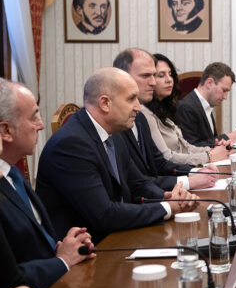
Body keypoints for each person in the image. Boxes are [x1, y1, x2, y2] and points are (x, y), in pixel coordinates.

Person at [36, 68, 200, 244]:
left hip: (119, 234)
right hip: (90, 246)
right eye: (131, 99)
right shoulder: (71, 144)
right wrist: (168, 207)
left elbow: (138, 183)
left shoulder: (115, 132)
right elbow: (104, 215)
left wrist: (167, 196)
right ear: (105, 103)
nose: (138, 107)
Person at [0, 79, 95, 288]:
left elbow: (32, 241)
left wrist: (65, 246)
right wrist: (62, 260)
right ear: (6, 130)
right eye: (33, 117)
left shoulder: (12, 171)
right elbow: (7, 280)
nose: (41, 125)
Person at [112, 48, 218, 190]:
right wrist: (205, 161)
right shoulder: (123, 121)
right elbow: (138, 181)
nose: (153, 82)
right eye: (147, 76)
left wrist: (195, 172)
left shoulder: (140, 118)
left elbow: (159, 163)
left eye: (154, 75)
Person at [144, 53, 232, 165]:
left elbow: (186, 147)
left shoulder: (165, 111)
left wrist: (215, 150)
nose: (169, 80)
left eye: (170, 74)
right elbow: (166, 157)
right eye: (161, 75)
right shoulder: (146, 113)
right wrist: (210, 155)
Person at [177, 61, 236, 147]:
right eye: (224, 90)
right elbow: (191, 147)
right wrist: (228, 137)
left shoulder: (206, 105)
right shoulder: (185, 107)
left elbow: (210, 141)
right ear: (209, 83)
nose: (225, 97)